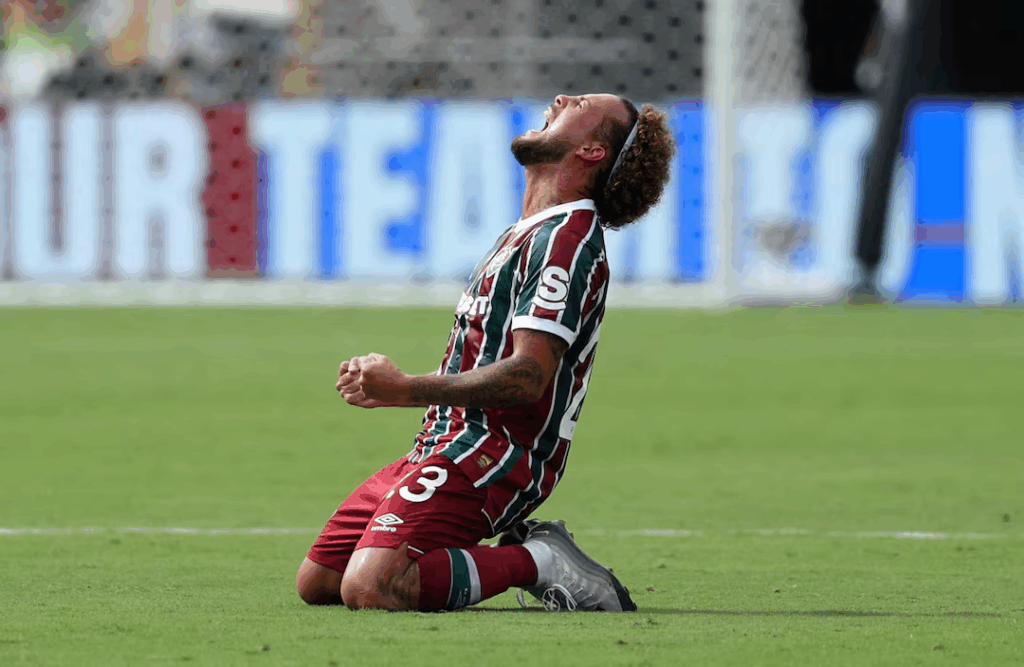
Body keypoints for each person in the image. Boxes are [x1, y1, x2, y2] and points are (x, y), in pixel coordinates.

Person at [295, 93, 676, 612]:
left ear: (591, 151)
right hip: (443, 442)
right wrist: (390, 383)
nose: (561, 98)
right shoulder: (525, 233)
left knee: (372, 588)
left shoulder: (567, 241)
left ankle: (540, 559)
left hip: (494, 456)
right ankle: (478, 551)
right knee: (319, 582)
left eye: (580, 102)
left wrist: (405, 388)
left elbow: (526, 379)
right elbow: (484, 361)